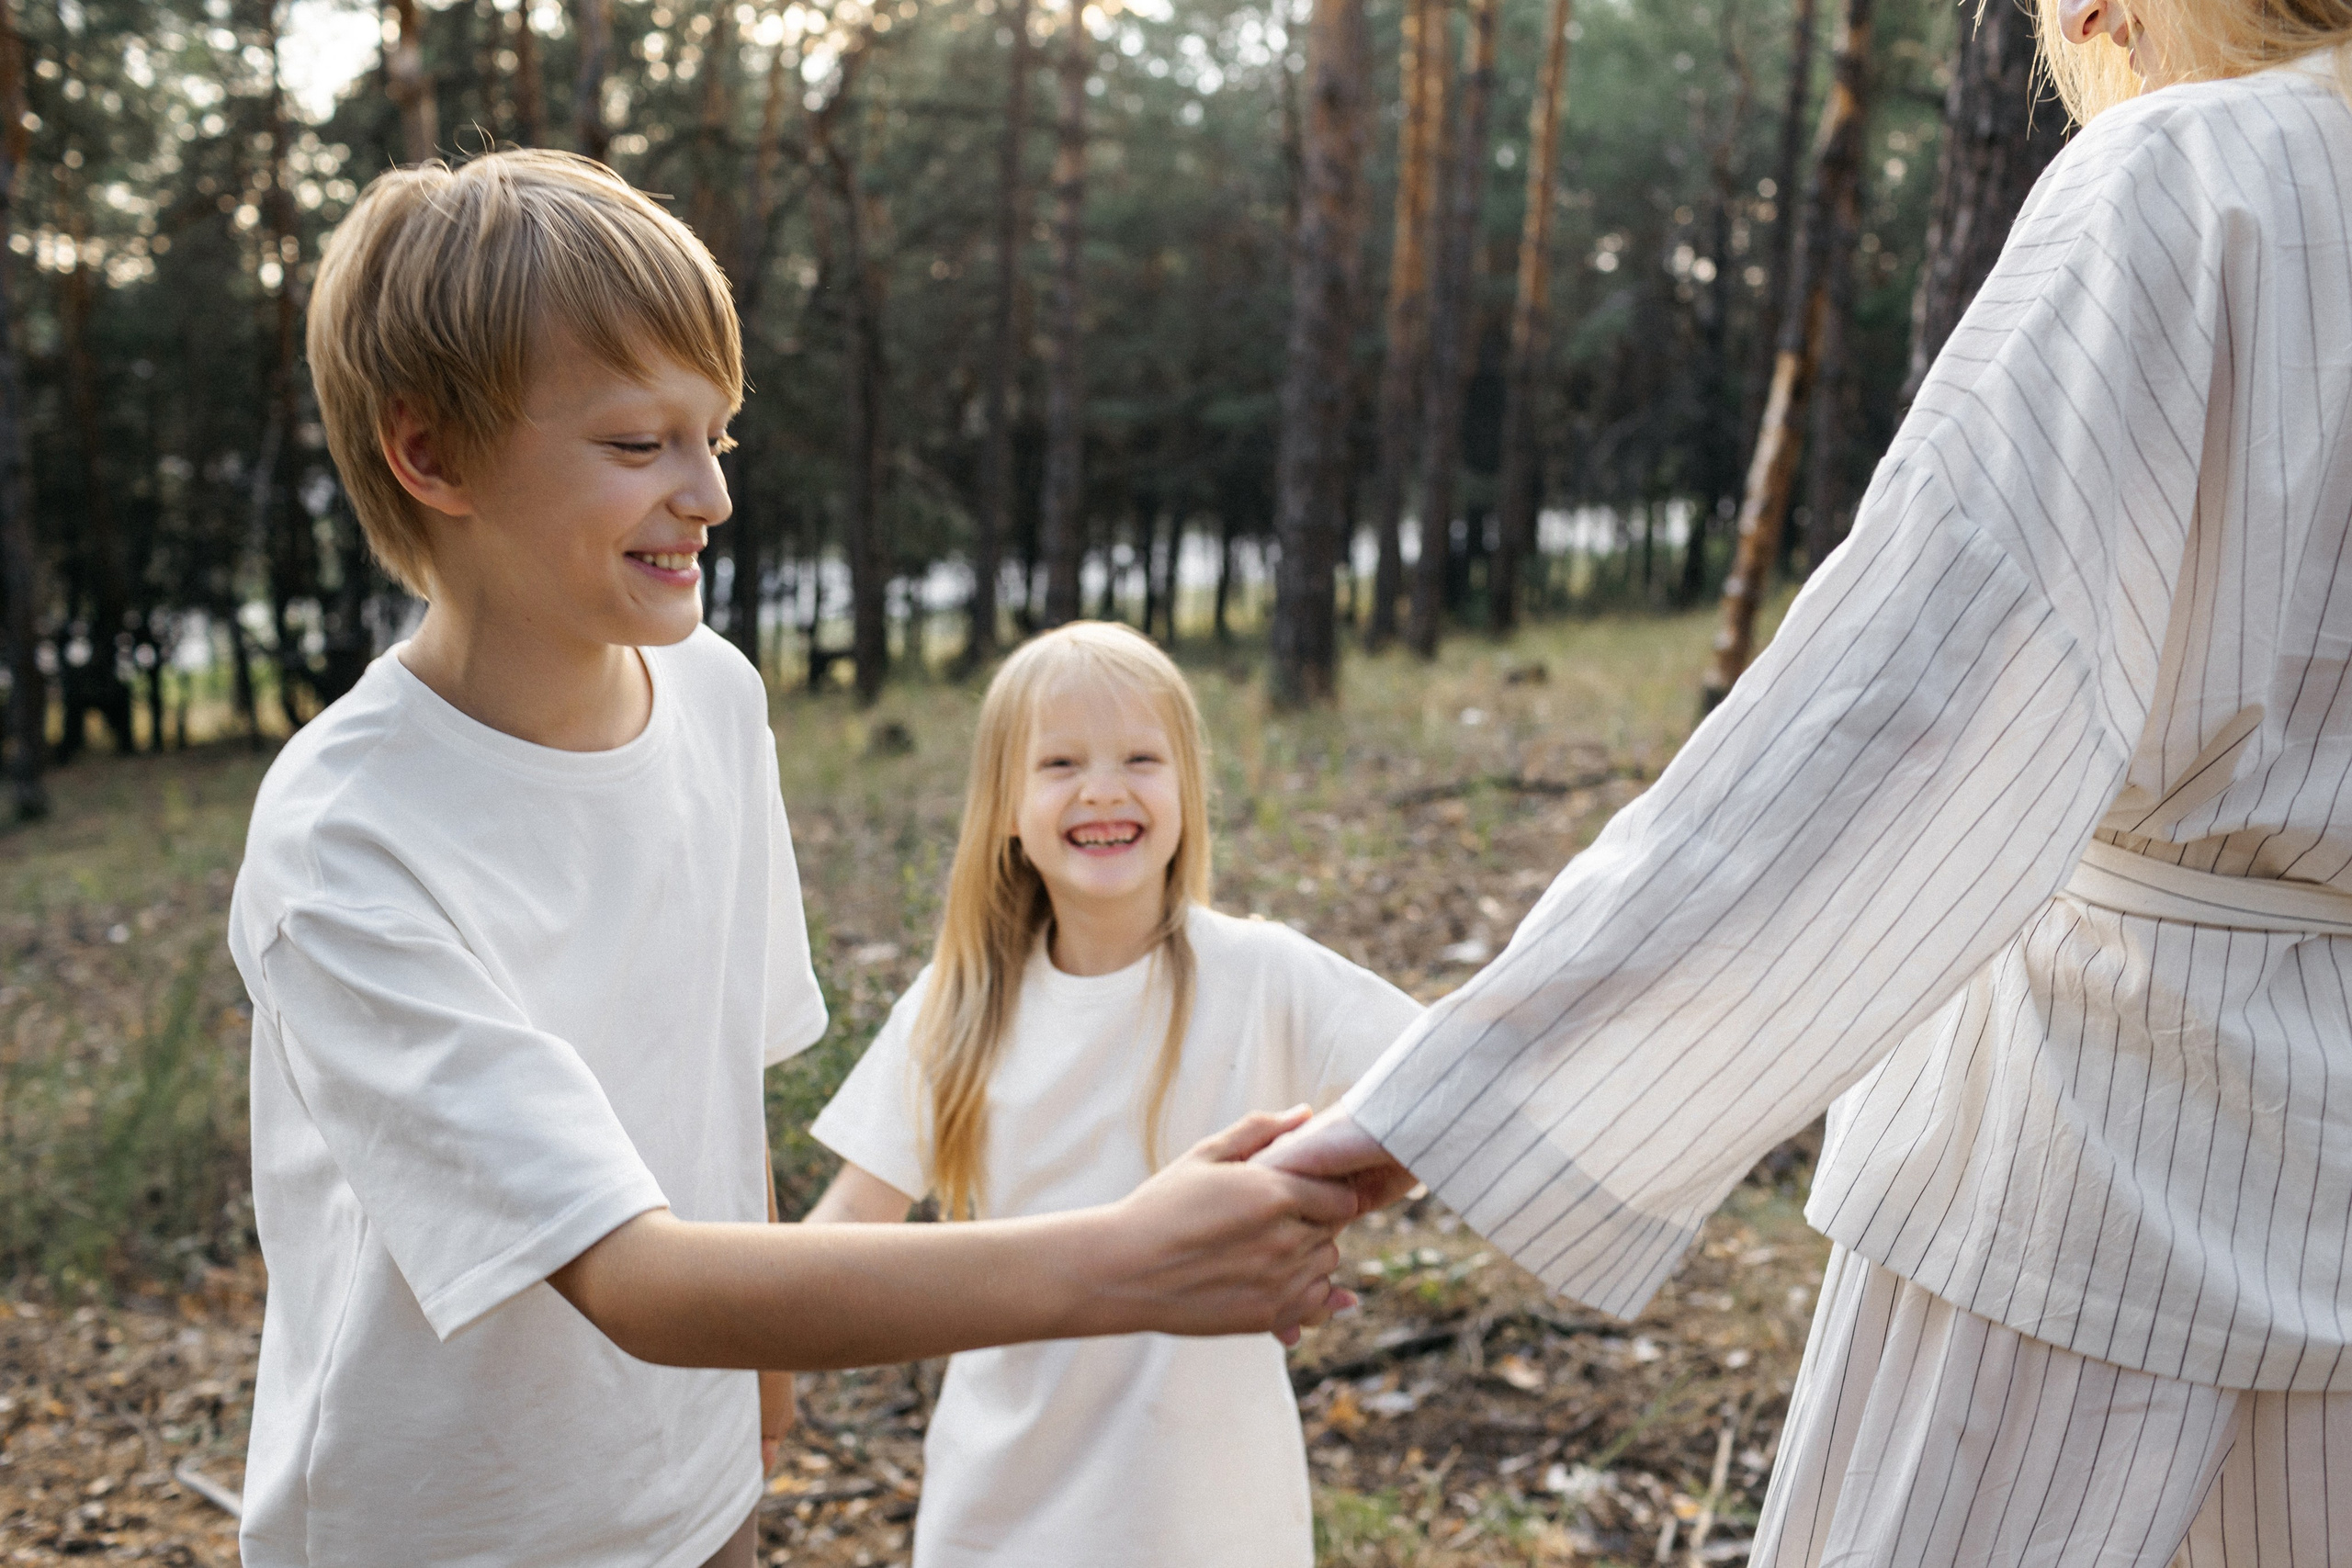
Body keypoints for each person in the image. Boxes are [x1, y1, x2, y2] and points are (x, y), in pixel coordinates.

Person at [1263, 0, 2352, 1558]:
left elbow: (1909, 693)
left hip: (2092, 1161)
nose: (2083, 23)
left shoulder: (2193, 175)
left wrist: (1456, 1094)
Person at [230, 151, 1355, 1568]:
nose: (707, 493)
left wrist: (755, 1382)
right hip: (458, 1526)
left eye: (719, 438)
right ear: (432, 453)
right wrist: (1135, 1254)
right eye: (639, 444)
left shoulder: (713, 694)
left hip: (697, 1476)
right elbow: (634, 1278)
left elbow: (715, 1074)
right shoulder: (348, 841)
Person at [802, 622, 1421, 1568]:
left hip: (1207, 1508)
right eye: (1058, 763)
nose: (1101, 788)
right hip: (1000, 1507)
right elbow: (854, 1211)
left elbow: (1442, 1096)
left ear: (1185, 792)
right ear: (1005, 808)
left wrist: (1327, 1205)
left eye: (1140, 757)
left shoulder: (1264, 976)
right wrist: (745, 1337)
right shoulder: (957, 1004)